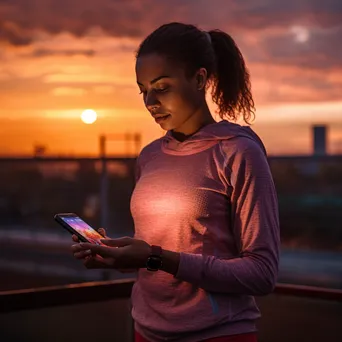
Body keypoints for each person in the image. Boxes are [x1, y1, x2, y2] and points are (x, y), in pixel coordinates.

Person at [71, 22, 280, 342]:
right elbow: (163, 249)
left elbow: (262, 274)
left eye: (162, 86)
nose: (150, 101)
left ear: (199, 79)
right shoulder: (150, 157)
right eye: (143, 90)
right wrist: (120, 255)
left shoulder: (239, 152)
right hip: (146, 331)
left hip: (216, 334)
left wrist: (154, 257)